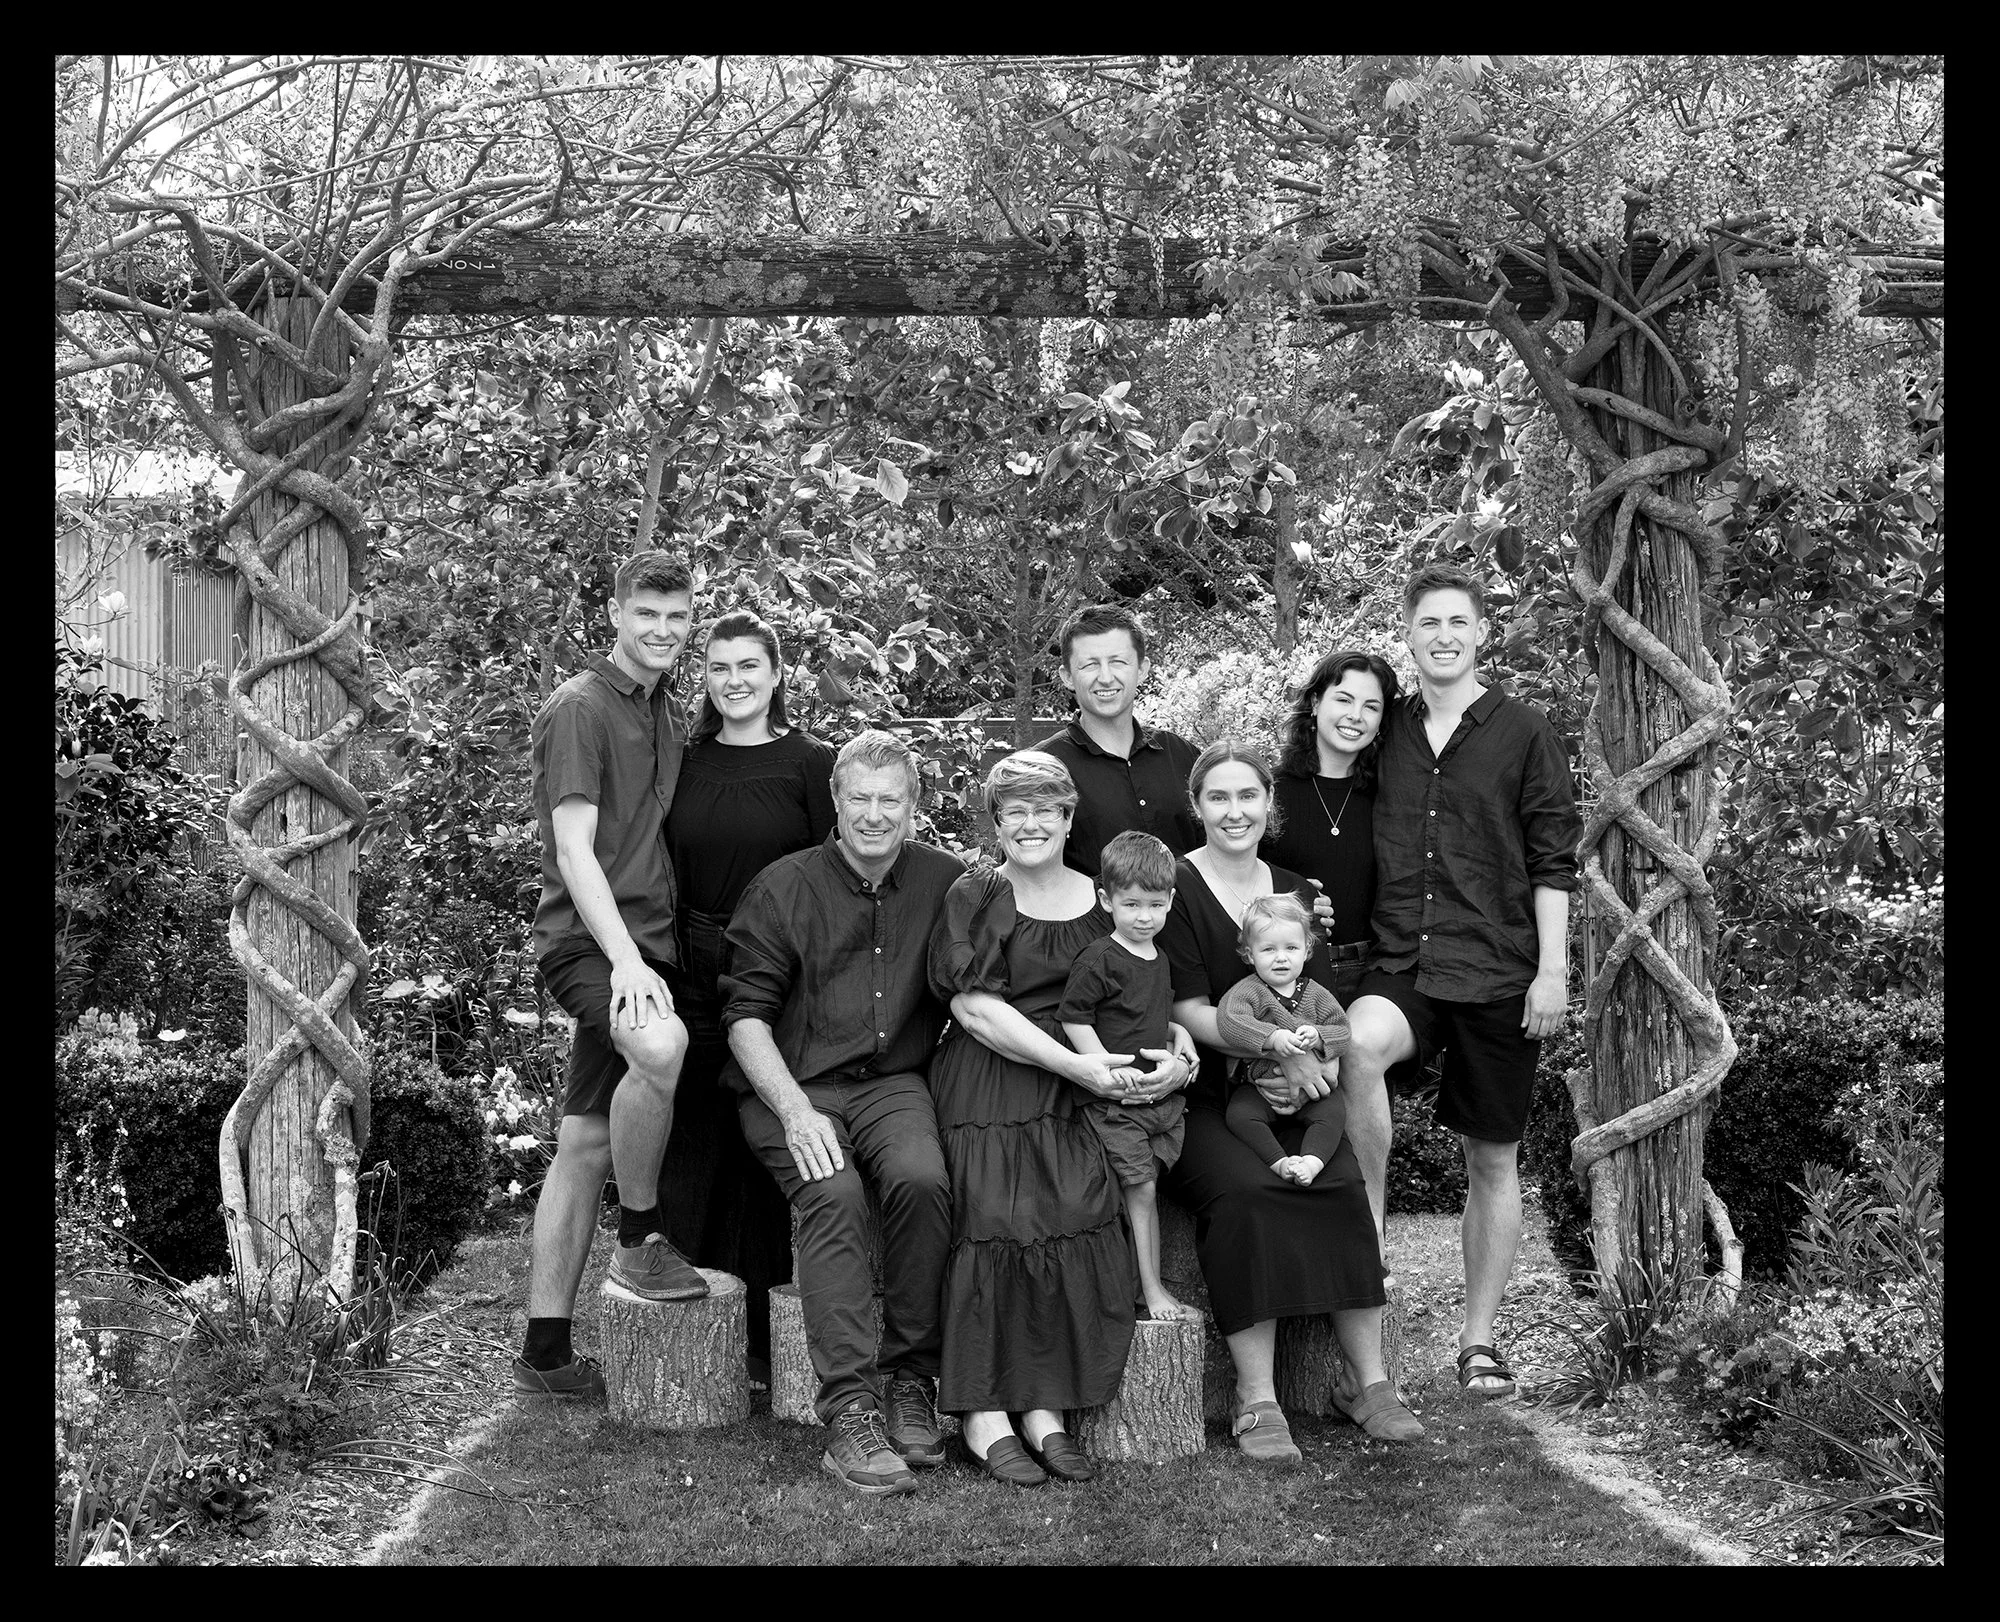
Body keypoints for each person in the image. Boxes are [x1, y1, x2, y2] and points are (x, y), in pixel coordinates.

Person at [1341, 563, 1581, 1401]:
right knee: (1356, 1049)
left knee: (1491, 1157)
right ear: (1406, 634)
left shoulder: (1525, 734)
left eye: (1457, 622)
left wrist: (1552, 972)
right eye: (1426, 622)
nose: (1442, 635)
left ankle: (1479, 1340)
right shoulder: (1385, 729)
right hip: (1403, 958)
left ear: (1483, 632)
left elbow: (1555, 861)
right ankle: (1364, 1240)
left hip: (1498, 969)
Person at [929, 753, 1196, 1488]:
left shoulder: (1104, 896)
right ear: (995, 820)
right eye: (1014, 809)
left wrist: (1181, 1048)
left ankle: (1044, 1403)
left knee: (1076, 1202)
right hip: (996, 1073)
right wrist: (1073, 1066)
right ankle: (984, 1410)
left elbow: (1145, 982)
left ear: (1070, 817)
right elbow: (973, 1009)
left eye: (1047, 808)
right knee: (993, 1209)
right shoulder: (976, 894)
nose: (1031, 823)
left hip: (1089, 1079)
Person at [1160, 741, 1423, 1457]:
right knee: (1249, 1195)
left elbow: (1323, 997)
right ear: (1198, 806)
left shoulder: (1298, 892)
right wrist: (1276, 1050)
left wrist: (1316, 1062)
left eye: (1248, 796)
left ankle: (1366, 1384)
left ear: (1269, 804)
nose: (1235, 811)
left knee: (1340, 1182)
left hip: (1300, 1097)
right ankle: (1256, 1399)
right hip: (1212, 1098)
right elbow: (1186, 1008)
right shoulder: (1177, 889)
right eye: (1219, 797)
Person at [720, 730, 962, 1497]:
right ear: (835, 800)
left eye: (891, 799)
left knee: (923, 1181)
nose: (873, 813)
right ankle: (850, 1415)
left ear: (915, 809)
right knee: (833, 1195)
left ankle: (912, 1382)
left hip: (894, 1084)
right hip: (795, 1084)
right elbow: (746, 1018)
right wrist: (795, 1113)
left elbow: (1010, 966)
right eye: (859, 796)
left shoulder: (946, 884)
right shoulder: (782, 888)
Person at [513, 552, 703, 1400]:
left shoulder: (663, 710)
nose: (661, 631)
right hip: (593, 945)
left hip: (645, 942)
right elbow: (573, 850)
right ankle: (640, 1238)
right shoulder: (582, 709)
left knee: (585, 1138)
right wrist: (626, 961)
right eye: (646, 615)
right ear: (617, 613)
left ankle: (546, 1350)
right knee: (660, 1047)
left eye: (676, 616)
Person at [660, 610, 837, 1387]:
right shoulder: (683, 762)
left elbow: (837, 874)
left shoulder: (813, 765)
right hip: (692, 961)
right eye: (720, 667)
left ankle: (765, 1339)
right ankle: (685, 1327)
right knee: (694, 1134)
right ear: (705, 678)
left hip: (781, 966)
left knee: (762, 1136)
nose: (735, 680)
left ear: (775, 675)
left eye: (749, 666)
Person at [1260, 650, 1402, 1240]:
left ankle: (1369, 1232)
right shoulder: (1271, 793)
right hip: (1288, 979)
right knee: (1292, 1104)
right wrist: (1289, 898)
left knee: (1358, 1071)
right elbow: (1238, 881)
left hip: (1374, 969)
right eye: (1344, 699)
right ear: (1316, 703)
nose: (1356, 715)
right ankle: (1306, 1239)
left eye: (1372, 706)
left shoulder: (1392, 794)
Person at [1057, 829, 1193, 1325]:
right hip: (1115, 1105)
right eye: (1131, 904)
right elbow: (1075, 1017)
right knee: (1141, 1191)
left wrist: (1179, 1033)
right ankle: (1150, 1290)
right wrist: (1102, 1069)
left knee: (1147, 1187)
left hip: (1158, 1104)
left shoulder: (1160, 959)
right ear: (1105, 899)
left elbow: (1151, 1014)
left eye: (1155, 905)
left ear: (1170, 901)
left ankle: (1143, 1283)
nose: (1143, 917)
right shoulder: (1099, 958)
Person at [1037, 602, 1200, 878]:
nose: (1105, 677)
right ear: (1067, 676)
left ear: (1142, 669)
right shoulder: (1044, 771)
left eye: (1118, 662)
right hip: (1094, 922)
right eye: (1090, 665)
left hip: (1191, 920)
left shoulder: (1183, 756)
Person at [1215, 893, 1352, 1187]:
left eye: (1291, 947)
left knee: (1334, 1113)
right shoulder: (1248, 991)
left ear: (1306, 951)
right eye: (1268, 949)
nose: (1281, 957)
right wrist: (1271, 1037)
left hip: (1312, 1090)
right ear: (1250, 955)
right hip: (1261, 1087)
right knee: (1239, 1116)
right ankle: (1279, 1163)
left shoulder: (1315, 993)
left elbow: (1343, 1030)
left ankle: (1312, 1163)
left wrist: (1318, 1037)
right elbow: (1229, 1021)